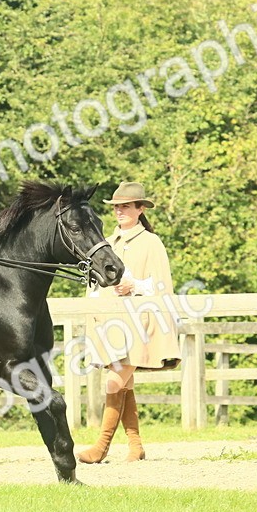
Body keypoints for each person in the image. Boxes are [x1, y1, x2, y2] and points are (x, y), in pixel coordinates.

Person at [79, 183, 180, 464]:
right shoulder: (107, 242)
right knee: (124, 384)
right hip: (112, 325)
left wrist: (133, 285)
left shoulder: (151, 242)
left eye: (125, 206)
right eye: (116, 206)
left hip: (139, 325)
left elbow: (161, 284)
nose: (119, 211)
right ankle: (136, 446)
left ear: (140, 209)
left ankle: (101, 447)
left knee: (114, 382)